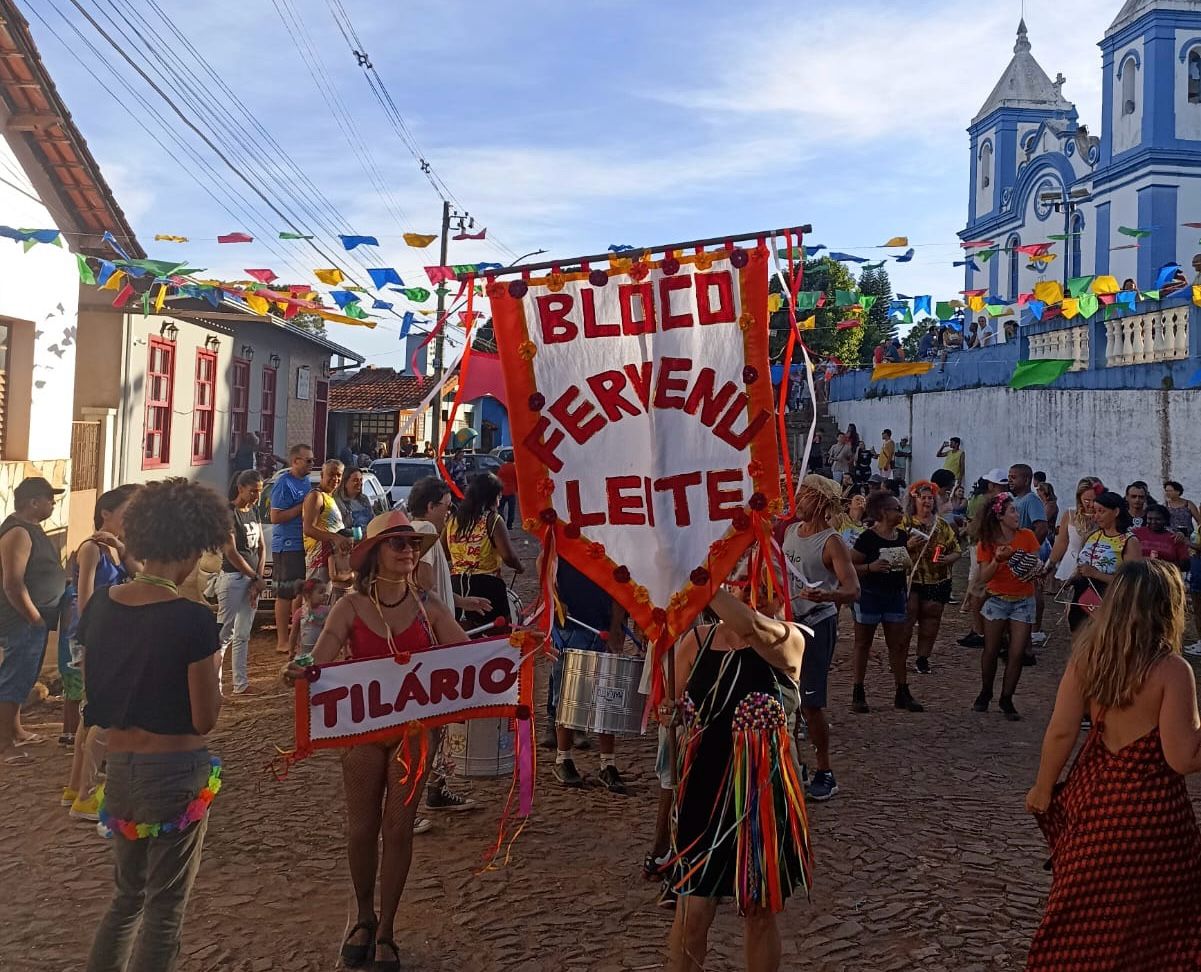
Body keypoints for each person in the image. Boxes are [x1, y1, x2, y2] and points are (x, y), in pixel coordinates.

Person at [284, 510, 467, 972]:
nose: (407, 551)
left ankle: (386, 928)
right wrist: (302, 668)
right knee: (362, 828)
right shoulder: (348, 607)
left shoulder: (430, 607)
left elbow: (471, 658)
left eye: (411, 544)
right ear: (375, 556)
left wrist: (513, 652)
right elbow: (319, 657)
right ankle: (364, 917)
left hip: (414, 734)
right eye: (398, 544)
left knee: (399, 829)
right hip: (363, 732)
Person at [83, 478, 230, 972]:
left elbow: (95, 698)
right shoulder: (192, 617)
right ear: (190, 546)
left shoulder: (100, 605)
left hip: (119, 768)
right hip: (175, 768)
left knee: (126, 899)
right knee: (165, 906)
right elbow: (205, 718)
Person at [1025, 560, 1201, 970]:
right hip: (1153, 821)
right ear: (1168, 607)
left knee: (1082, 921)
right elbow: (1181, 756)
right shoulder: (1171, 670)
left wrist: (1043, 788)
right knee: (1159, 929)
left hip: (1096, 809)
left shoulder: (1087, 657)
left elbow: (1061, 732)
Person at [666, 587, 811, 972]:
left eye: (769, 589)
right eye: (749, 585)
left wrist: (699, 575)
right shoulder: (694, 642)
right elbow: (671, 707)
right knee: (692, 912)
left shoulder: (789, 639)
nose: (760, 597)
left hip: (764, 796)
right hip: (702, 790)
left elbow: (749, 628)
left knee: (759, 912)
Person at [405, 476, 485, 814]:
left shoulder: (422, 529)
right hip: (432, 643)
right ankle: (410, 806)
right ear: (430, 506)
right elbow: (420, 585)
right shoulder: (423, 528)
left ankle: (436, 788)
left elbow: (431, 588)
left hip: (433, 637)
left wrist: (461, 602)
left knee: (437, 723)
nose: (448, 516)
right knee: (428, 727)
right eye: (445, 508)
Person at [780, 476, 860, 800]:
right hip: (789, 624)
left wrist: (826, 596)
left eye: (808, 495)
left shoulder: (832, 542)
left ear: (823, 503)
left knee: (811, 703)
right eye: (800, 493)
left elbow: (853, 589)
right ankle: (795, 765)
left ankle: (825, 771)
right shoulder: (789, 532)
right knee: (787, 700)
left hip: (817, 624)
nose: (799, 499)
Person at [63, 485, 141, 817]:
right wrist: (93, 639)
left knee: (91, 713)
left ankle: (75, 786)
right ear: (106, 513)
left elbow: (140, 575)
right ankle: (87, 793)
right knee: (104, 712)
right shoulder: (91, 549)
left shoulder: (115, 549)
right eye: (127, 511)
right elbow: (84, 600)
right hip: (96, 636)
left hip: (111, 635)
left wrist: (123, 549)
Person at [548, 559, 629, 793]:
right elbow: (542, 562)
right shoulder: (563, 543)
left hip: (601, 627)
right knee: (568, 694)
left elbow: (620, 586)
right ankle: (563, 759)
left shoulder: (609, 545)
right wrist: (554, 596)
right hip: (570, 627)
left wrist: (615, 628)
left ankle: (608, 763)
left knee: (607, 697)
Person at [0, 477, 67, 760]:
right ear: (33, 502)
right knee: (15, 676)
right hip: (22, 619)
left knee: (25, 676)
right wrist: (33, 616)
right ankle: (4, 744)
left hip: (36, 618)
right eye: (49, 499)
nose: (53, 504)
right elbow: (13, 582)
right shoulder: (18, 533)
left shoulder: (34, 529)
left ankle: (15, 731)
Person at [850, 491, 925, 714]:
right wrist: (870, 568)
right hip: (870, 594)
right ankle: (858, 691)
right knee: (863, 643)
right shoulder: (867, 539)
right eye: (897, 509)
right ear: (883, 512)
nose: (901, 513)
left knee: (898, 645)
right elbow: (849, 566)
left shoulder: (902, 536)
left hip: (894, 594)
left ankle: (902, 690)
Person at [973, 493, 1040, 721]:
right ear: (1000, 516)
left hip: (1023, 599)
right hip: (997, 598)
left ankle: (1007, 697)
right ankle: (986, 691)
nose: (1017, 515)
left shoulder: (1027, 536)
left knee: (1017, 652)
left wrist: (1016, 558)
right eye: (1012, 511)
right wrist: (997, 560)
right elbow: (983, 577)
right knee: (991, 649)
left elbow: (1034, 567)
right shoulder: (987, 542)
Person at [448, 473, 524, 631]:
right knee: (498, 635)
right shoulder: (493, 520)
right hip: (487, 587)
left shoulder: (453, 520)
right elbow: (508, 556)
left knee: (459, 636)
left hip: (454, 586)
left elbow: (445, 552)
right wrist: (519, 566)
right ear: (493, 497)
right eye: (499, 496)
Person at [902, 481, 962, 675]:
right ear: (914, 499)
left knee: (932, 619)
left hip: (936, 578)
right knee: (906, 619)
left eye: (930, 498)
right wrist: (908, 545)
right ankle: (900, 656)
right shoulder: (905, 522)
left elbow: (957, 550)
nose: (927, 501)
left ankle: (922, 658)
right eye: (923, 497)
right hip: (911, 578)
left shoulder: (942, 525)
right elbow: (892, 548)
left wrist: (946, 559)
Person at [216, 471, 265, 697]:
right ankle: (214, 687)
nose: (256, 495)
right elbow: (231, 551)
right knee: (224, 634)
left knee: (243, 633)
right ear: (241, 488)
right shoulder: (228, 513)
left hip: (252, 579)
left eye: (259, 490)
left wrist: (259, 577)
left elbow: (261, 547)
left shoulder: (253, 511)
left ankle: (240, 684)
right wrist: (253, 576)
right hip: (234, 579)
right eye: (253, 490)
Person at [1069, 491, 1143, 633]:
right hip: (1083, 595)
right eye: (1095, 511)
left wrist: (1096, 574)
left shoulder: (1129, 541)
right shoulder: (1093, 535)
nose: (1096, 516)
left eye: (1101, 511)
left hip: (1110, 598)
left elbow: (1133, 580)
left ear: (1116, 512)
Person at [269, 444, 314, 653]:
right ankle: (282, 640)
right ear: (295, 461)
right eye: (308, 460)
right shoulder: (283, 483)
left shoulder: (305, 482)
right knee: (285, 592)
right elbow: (275, 517)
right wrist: (302, 507)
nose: (312, 464)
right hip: (286, 545)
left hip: (303, 542)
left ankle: (296, 635)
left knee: (300, 592)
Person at [957, 470, 1009, 649]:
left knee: (980, 587)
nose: (1002, 488)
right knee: (980, 586)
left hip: (987, 546)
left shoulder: (992, 501)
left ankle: (982, 631)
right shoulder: (989, 502)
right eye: (999, 485)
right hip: (985, 546)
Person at [1046, 477, 1101, 586]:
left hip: (1096, 569)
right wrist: (1049, 566)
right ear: (1079, 498)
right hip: (1070, 566)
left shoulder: (1105, 517)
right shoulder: (1070, 514)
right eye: (1086, 500)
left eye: (1095, 500)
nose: (1090, 505)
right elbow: (1061, 543)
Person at [303, 459, 350, 583]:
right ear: (322, 475)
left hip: (332, 560)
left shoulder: (330, 497)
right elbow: (308, 529)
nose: (335, 479)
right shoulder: (316, 496)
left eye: (338, 475)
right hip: (319, 561)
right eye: (331, 474)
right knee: (316, 600)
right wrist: (335, 538)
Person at [1008, 464, 1048, 543]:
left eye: (1013, 477)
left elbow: (1042, 529)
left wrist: (1028, 550)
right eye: (1009, 477)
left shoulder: (1031, 499)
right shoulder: (1015, 499)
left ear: (1026, 480)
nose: (1009, 480)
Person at [335, 468, 375, 534]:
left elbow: (373, 520)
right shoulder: (337, 501)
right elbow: (339, 529)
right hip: (351, 541)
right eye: (355, 480)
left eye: (361, 480)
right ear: (345, 483)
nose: (360, 483)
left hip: (369, 539)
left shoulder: (364, 499)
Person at [496, 456, 518, 531]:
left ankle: (501, 521)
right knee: (511, 509)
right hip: (511, 491)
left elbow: (498, 478)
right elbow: (517, 479)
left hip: (502, 491)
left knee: (500, 507)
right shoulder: (515, 468)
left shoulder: (502, 467)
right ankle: (509, 525)